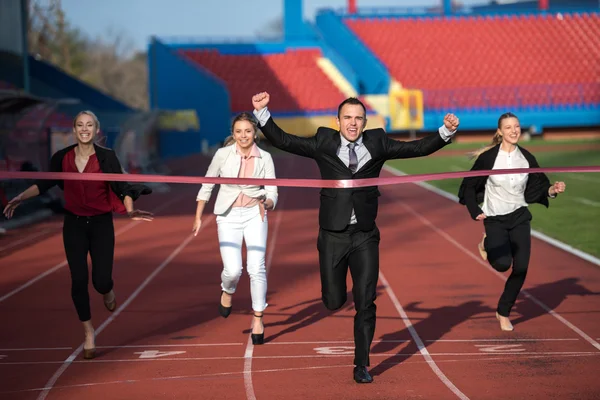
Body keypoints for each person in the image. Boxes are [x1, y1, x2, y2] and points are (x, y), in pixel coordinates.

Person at [251, 91, 459, 383]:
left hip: (364, 235)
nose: (353, 123)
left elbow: (417, 148)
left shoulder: (378, 142)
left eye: (358, 118)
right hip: (332, 235)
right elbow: (284, 141)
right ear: (337, 122)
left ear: (364, 122)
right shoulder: (323, 141)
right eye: (347, 118)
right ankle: (334, 296)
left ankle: (362, 364)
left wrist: (445, 132)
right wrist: (262, 114)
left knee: (366, 300)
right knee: (334, 301)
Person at [3, 110, 153, 360]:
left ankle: (108, 290)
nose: (85, 129)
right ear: (74, 130)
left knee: (101, 281)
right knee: (78, 280)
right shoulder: (61, 157)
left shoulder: (107, 157)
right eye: (80, 125)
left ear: (96, 130)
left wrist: (129, 210)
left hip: (101, 224)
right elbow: (45, 183)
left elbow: (121, 186)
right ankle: (88, 331)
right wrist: (19, 197)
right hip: (74, 224)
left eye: (90, 125)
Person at [458, 112, 566, 332]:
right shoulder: (488, 158)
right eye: (508, 127)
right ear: (500, 132)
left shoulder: (526, 157)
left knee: (522, 267)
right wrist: (474, 210)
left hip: (519, 216)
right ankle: (487, 243)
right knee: (502, 264)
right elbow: (469, 186)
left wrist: (552, 190)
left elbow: (539, 186)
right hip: (495, 218)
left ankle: (504, 311)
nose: (514, 130)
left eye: (516, 126)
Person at [193, 112, 278, 345]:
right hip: (228, 216)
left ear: (255, 133)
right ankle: (227, 290)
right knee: (233, 270)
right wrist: (199, 216)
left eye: (248, 131)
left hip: (255, 214)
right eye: (239, 131)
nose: (243, 136)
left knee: (256, 267)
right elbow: (208, 183)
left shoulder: (266, 158)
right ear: (233, 133)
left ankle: (258, 318)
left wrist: (268, 203)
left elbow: (272, 191)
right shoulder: (222, 155)